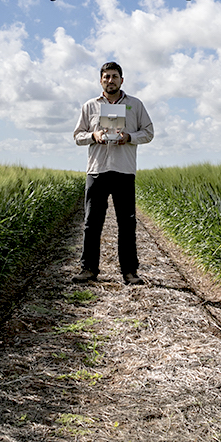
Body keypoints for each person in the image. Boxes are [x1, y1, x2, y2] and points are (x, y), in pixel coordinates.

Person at [72, 61, 155, 285]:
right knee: (91, 222)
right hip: (97, 171)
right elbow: (78, 135)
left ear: (122, 80)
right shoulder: (90, 106)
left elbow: (149, 132)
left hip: (124, 171)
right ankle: (88, 269)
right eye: (106, 76)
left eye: (115, 76)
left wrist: (129, 137)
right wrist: (94, 136)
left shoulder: (135, 105)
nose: (111, 80)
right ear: (101, 80)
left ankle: (129, 272)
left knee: (127, 224)